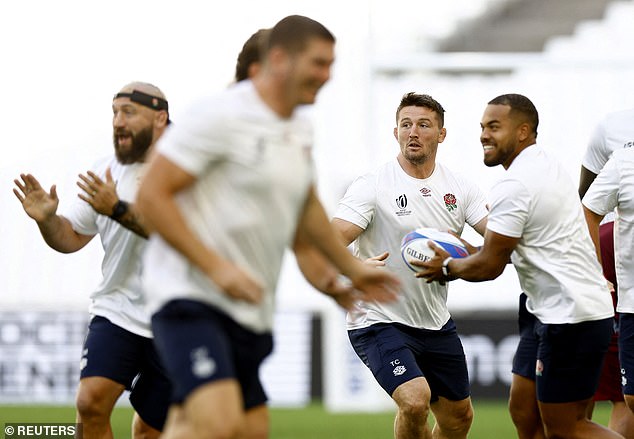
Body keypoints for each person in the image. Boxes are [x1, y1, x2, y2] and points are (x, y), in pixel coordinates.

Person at [135, 15, 400, 439]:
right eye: (318, 62)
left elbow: (306, 214)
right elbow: (150, 196)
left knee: (245, 432)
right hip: (192, 299)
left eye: (331, 64)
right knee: (218, 425)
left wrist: (347, 274)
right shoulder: (218, 114)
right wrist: (215, 267)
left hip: (249, 313)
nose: (326, 75)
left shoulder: (297, 128)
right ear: (278, 59)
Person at [416, 93, 621, 439]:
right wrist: (464, 248)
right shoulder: (544, 163)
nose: (484, 135)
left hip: (571, 316)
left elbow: (490, 266)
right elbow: (505, 249)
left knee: (566, 428)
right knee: (524, 411)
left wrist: (447, 266)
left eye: (494, 127)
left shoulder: (516, 184)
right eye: (482, 127)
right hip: (547, 311)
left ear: (523, 131)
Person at [13, 82, 172, 439]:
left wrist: (116, 209)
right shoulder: (105, 171)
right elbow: (69, 238)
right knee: (90, 403)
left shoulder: (190, 168)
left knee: (150, 429)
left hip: (176, 316)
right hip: (117, 310)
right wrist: (48, 220)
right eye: (114, 112)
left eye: (129, 112)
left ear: (160, 117)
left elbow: (177, 235)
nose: (118, 121)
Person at [332, 92, 487, 439]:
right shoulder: (373, 185)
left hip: (434, 321)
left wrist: (466, 253)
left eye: (423, 125)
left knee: (458, 419)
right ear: (396, 132)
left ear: (441, 134)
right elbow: (330, 239)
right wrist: (353, 268)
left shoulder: (460, 188)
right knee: (415, 400)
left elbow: (497, 240)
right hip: (378, 318)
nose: (413, 132)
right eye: (405, 124)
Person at [579, 108, 634, 437]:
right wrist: (595, 271)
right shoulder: (624, 157)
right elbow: (587, 202)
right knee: (629, 397)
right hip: (628, 300)